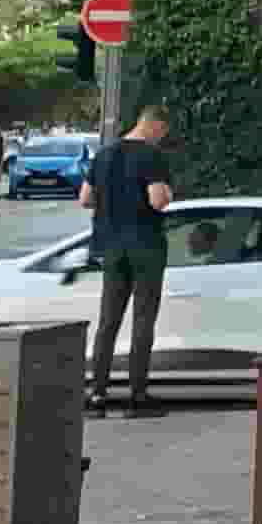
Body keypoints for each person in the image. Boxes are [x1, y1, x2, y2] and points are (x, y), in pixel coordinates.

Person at [76, 105, 175, 416]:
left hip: (111, 247)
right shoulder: (151, 156)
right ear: (155, 126)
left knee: (108, 322)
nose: (161, 139)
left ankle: (97, 396)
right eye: (162, 132)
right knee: (143, 320)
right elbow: (157, 200)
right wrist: (168, 193)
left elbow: (85, 199)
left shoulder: (104, 154)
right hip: (145, 246)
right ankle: (137, 397)